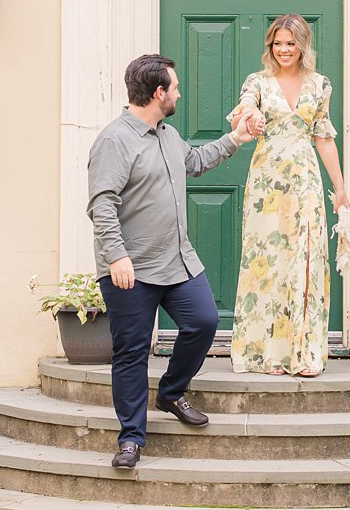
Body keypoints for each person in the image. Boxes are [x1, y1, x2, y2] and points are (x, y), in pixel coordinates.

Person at [88, 53, 259, 470]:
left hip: (177, 260)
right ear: (159, 93)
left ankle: (171, 391)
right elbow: (101, 205)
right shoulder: (114, 140)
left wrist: (236, 138)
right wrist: (117, 257)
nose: (179, 93)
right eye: (176, 87)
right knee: (131, 352)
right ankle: (131, 439)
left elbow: (194, 162)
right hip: (131, 268)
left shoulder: (167, 134)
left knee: (202, 322)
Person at [227, 14, 350, 377]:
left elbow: (323, 137)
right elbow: (242, 112)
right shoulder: (258, 83)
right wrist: (251, 118)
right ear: (270, 46)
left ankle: (304, 352)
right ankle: (271, 353)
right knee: (267, 262)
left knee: (305, 259)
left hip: (305, 179)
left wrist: (340, 187)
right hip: (267, 181)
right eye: (278, 43)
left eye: (290, 43)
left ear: (302, 46)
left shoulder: (319, 85)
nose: (284, 50)